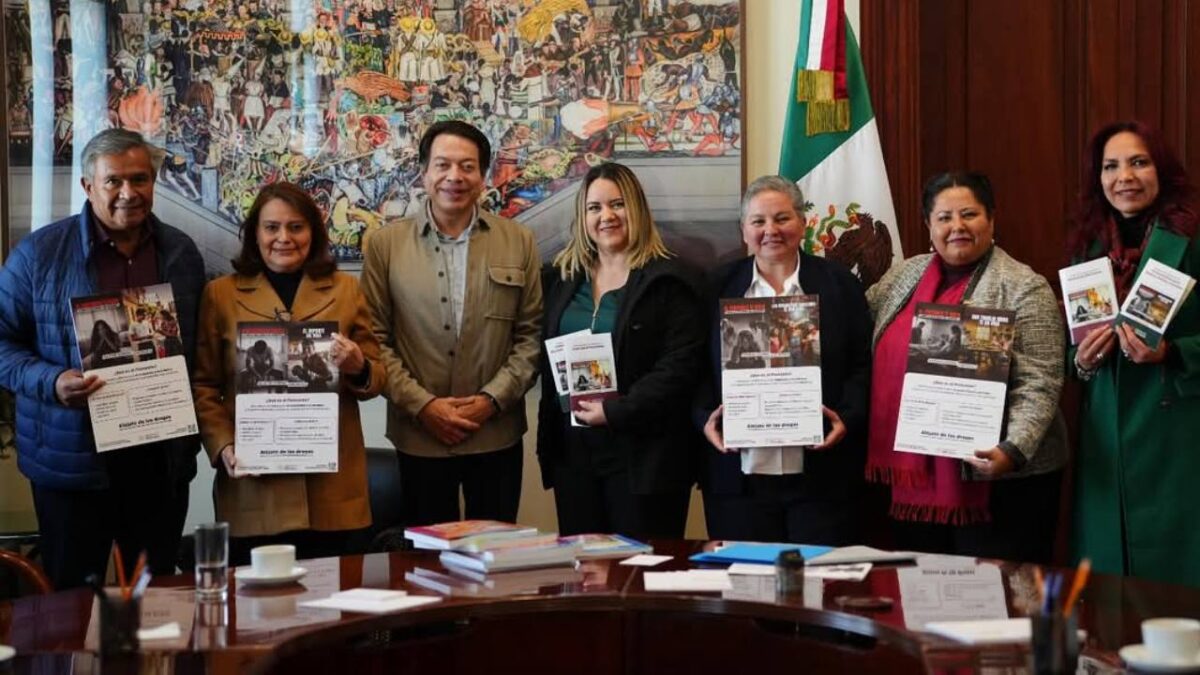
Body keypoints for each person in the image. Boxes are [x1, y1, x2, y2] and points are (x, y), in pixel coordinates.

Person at [0, 128, 206, 590]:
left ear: (154, 182)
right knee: (72, 599)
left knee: (155, 596)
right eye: (113, 181)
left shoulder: (181, 253)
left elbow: (197, 349)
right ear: (87, 186)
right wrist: (51, 381)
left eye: (140, 179)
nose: (128, 193)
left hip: (159, 460)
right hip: (72, 464)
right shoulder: (39, 255)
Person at [865, 172, 1067, 563]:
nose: (956, 226)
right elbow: (854, 324)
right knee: (924, 599)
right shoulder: (902, 276)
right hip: (915, 477)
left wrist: (1013, 449)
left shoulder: (1025, 286)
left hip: (1004, 480)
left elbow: (1040, 382)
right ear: (928, 226)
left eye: (969, 214)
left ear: (991, 220)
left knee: (1000, 605)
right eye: (944, 217)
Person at [192, 181, 385, 565]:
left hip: (333, 491)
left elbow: (378, 376)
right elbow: (203, 384)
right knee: (260, 617)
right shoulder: (220, 294)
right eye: (272, 227)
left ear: (313, 233)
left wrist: (358, 366)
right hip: (255, 490)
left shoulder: (347, 289)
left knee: (336, 612)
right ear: (254, 235)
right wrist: (223, 445)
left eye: (296, 227)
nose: (284, 238)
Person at [360, 120, 542, 527]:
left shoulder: (519, 240)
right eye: (442, 165)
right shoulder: (385, 245)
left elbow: (530, 335)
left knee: (493, 563)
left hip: (496, 435)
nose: (454, 177)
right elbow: (374, 339)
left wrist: (490, 401)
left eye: (467, 166)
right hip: (418, 436)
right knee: (423, 566)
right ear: (424, 172)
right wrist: (424, 406)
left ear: (483, 176)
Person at [699, 176, 872, 545]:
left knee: (818, 587)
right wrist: (704, 420)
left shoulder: (840, 285)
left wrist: (848, 418)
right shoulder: (714, 288)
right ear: (743, 230)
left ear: (803, 222)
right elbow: (694, 368)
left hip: (823, 477)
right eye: (758, 221)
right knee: (745, 589)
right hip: (738, 479)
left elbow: (862, 364)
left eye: (782, 218)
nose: (770, 230)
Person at [537, 162, 705, 539]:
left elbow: (679, 367)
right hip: (574, 456)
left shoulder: (671, 280)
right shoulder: (561, 279)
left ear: (637, 209)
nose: (606, 216)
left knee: (639, 574)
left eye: (617, 204)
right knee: (585, 580)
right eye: (594, 208)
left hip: (645, 457)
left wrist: (615, 410)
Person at [1069, 121, 1200, 587]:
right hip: (1107, 439)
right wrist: (1081, 362)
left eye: (1138, 162)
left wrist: (1173, 352)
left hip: (1177, 440)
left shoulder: (1192, 237)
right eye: (1111, 166)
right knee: (1110, 590)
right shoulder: (1088, 247)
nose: (1124, 176)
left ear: (1161, 169)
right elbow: (1075, 352)